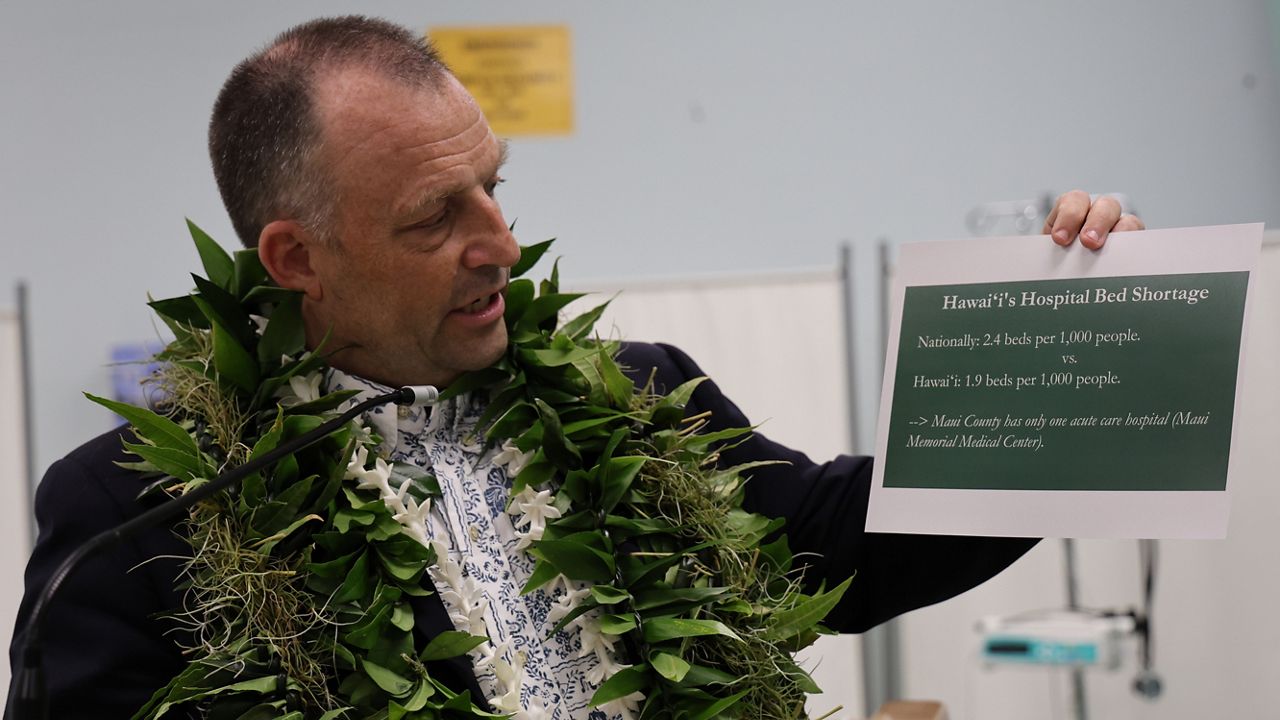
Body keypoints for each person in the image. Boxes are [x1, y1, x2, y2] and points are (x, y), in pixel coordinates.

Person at [8, 15, 1144, 720]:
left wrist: (1064, 336)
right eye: (431, 218)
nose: (498, 241)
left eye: (495, 186)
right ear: (297, 257)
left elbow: (842, 537)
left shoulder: (636, 400)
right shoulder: (139, 513)